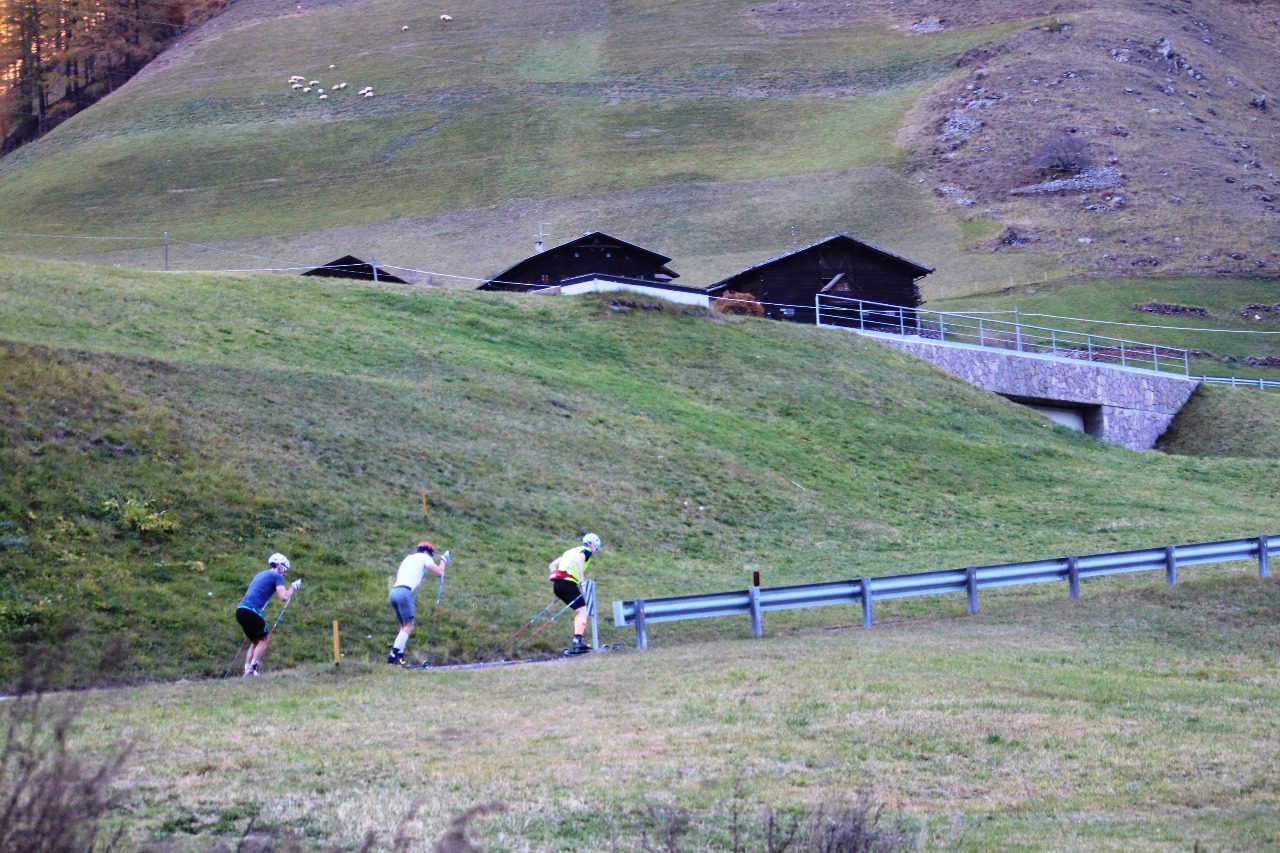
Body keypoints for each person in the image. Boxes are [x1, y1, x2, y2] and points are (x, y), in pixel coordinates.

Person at [235, 552, 301, 677]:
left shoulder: (260, 575)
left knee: (255, 641)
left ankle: (247, 669)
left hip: (241, 610)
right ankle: (252, 669)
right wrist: (293, 587)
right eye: (285, 570)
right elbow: (284, 597)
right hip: (251, 610)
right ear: (280, 566)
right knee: (265, 639)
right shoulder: (277, 577)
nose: (284, 573)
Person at [387, 540, 449, 665]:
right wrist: (443, 560)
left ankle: (399, 658)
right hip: (405, 592)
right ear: (427, 552)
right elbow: (438, 572)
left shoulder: (408, 558)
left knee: (404, 627)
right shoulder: (425, 557)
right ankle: (393, 655)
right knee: (409, 626)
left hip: (394, 592)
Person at [548, 533, 601, 654]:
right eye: (596, 548)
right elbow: (578, 562)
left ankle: (577, 640)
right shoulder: (586, 551)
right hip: (569, 584)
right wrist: (582, 583)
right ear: (592, 545)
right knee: (583, 611)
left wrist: (556, 576)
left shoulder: (570, 551)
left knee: (580, 611)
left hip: (558, 585)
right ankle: (577, 641)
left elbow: (552, 565)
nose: (595, 552)